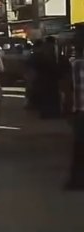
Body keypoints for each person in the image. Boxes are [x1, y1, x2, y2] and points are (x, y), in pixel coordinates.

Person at [66, 31, 84, 190]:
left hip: (81, 111)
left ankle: (77, 182)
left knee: (79, 149)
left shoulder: (76, 64)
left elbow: (69, 89)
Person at [35, 36, 62, 119]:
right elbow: (53, 62)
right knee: (52, 95)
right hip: (50, 76)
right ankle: (53, 113)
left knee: (45, 96)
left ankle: (45, 113)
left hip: (42, 76)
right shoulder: (51, 48)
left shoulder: (41, 50)